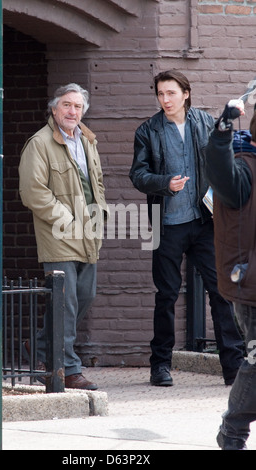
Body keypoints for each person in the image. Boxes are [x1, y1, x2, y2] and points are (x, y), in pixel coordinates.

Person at [129, 70, 245, 387]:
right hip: (163, 223)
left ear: (186, 94)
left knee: (221, 293)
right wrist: (164, 183)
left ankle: (233, 367)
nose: (165, 100)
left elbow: (226, 154)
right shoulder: (148, 131)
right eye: (160, 94)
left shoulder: (205, 123)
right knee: (166, 296)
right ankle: (160, 366)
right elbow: (138, 175)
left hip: (204, 221)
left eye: (171, 93)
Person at [19, 83, 108, 390]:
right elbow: (32, 191)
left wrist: (101, 212)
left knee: (83, 296)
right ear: (54, 109)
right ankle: (68, 368)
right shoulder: (40, 143)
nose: (73, 111)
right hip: (59, 234)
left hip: (88, 232)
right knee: (66, 301)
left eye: (78, 106)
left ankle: (42, 347)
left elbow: (96, 181)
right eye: (67, 105)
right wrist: (66, 219)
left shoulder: (87, 140)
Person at [206, 101, 256, 450]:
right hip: (253, 287)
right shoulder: (245, 169)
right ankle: (233, 433)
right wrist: (224, 129)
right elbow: (219, 170)